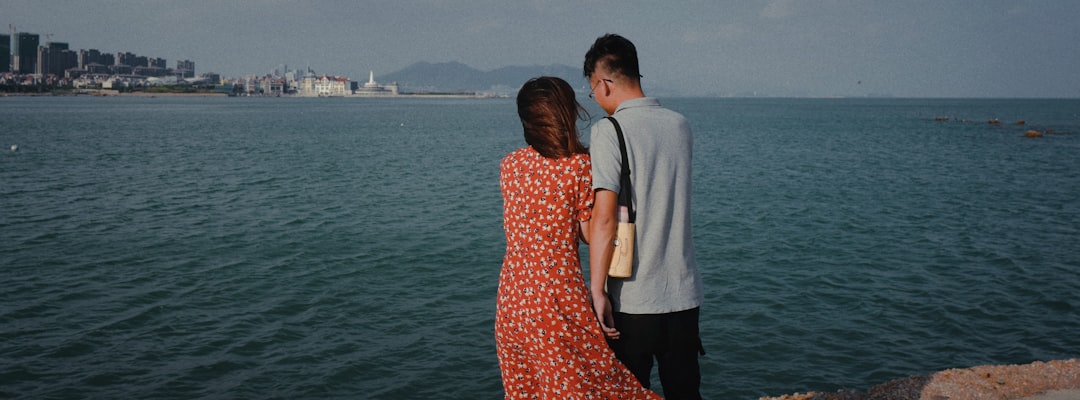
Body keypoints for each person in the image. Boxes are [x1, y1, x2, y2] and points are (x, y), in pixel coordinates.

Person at [496, 76, 659, 399]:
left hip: (511, 301)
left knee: (527, 390)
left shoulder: (510, 165)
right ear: (565, 114)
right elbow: (589, 233)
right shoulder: (578, 166)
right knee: (597, 382)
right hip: (556, 299)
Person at [584, 34, 705, 399]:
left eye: (591, 89)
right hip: (683, 295)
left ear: (603, 83)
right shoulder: (679, 124)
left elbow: (604, 218)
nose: (593, 97)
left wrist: (597, 288)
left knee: (628, 392)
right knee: (685, 392)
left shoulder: (609, 130)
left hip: (633, 301)